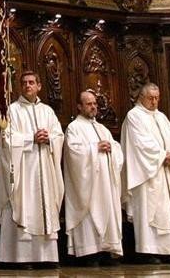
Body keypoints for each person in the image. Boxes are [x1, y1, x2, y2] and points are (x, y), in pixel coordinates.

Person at [0, 70, 63, 267]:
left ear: (39, 86)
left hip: (44, 169)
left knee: (45, 206)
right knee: (23, 203)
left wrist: (49, 138)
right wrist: (30, 139)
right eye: (24, 82)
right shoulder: (12, 110)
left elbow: (59, 135)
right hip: (23, 171)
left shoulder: (47, 111)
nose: (28, 85)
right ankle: (21, 258)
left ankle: (46, 257)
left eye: (32, 82)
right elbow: (6, 138)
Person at [121, 82, 170, 263]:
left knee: (166, 212)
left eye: (157, 98)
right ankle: (149, 251)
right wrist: (163, 155)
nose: (154, 102)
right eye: (150, 98)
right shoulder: (134, 116)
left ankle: (169, 251)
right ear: (141, 97)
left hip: (164, 171)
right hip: (146, 174)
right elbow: (141, 144)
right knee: (149, 211)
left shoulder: (161, 117)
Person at [63, 90, 123, 266]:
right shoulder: (74, 128)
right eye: (89, 104)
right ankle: (90, 252)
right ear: (79, 106)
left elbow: (117, 150)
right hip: (88, 184)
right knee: (90, 212)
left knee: (107, 210)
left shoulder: (102, 128)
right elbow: (73, 153)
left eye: (95, 103)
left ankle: (106, 250)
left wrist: (112, 148)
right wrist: (93, 148)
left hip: (105, 181)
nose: (93, 107)